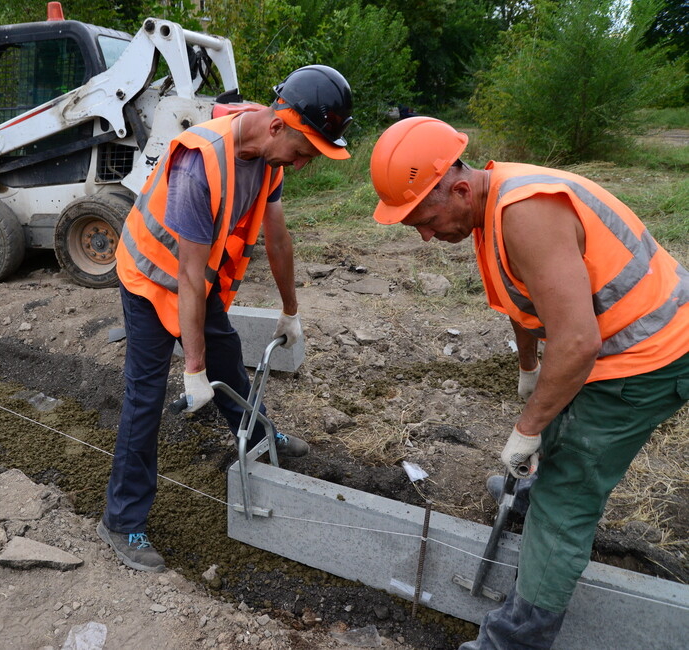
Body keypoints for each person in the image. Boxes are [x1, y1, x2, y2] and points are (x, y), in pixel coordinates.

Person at [369, 116, 689, 649]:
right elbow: (527, 303)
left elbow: (578, 344)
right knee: (556, 421)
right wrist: (529, 373)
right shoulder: (490, 208)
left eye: (423, 219)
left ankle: (515, 640)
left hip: (649, 354)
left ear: (459, 187)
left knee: (568, 493)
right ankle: (530, 498)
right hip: (610, 342)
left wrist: (528, 425)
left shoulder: (527, 215)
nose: (424, 236)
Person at [98, 65, 354, 573]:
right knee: (146, 396)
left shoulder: (270, 157)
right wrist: (192, 368)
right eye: (304, 153)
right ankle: (121, 519)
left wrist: (290, 311)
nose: (302, 166)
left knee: (229, 357)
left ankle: (257, 436)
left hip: (197, 277)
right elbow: (186, 277)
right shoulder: (201, 163)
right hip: (152, 273)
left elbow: (277, 240)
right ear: (279, 125)